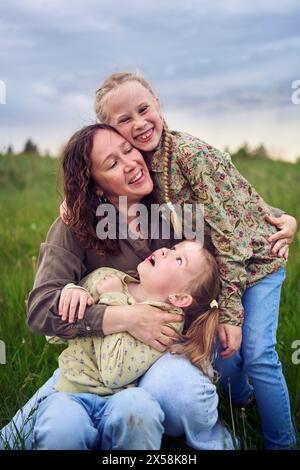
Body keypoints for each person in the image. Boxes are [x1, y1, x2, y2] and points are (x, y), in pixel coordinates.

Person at [92, 72, 297, 449]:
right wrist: (75, 204)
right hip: (219, 266)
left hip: (258, 262)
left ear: (158, 104)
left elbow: (233, 240)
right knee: (223, 350)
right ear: (112, 131)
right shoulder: (147, 165)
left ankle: (281, 441)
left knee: (255, 350)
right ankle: (241, 402)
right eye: (124, 120)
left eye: (143, 109)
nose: (138, 123)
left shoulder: (189, 155)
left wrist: (232, 314)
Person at [0, 125, 233, 450]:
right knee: (25, 437)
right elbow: (42, 310)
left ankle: (218, 422)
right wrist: (124, 317)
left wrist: (282, 221)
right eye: (111, 164)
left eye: (128, 150)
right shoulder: (75, 224)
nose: (130, 163)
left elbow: (233, 234)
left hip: (166, 353)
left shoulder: (176, 207)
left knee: (180, 398)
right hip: (95, 361)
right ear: (95, 186)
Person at [49, 241, 220, 396]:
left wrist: (114, 297)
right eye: (174, 248)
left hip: (114, 400)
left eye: (179, 260)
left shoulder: (165, 324)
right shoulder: (106, 277)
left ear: (180, 298)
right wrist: (71, 292)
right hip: (70, 390)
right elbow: (52, 335)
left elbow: (112, 374)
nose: (165, 252)